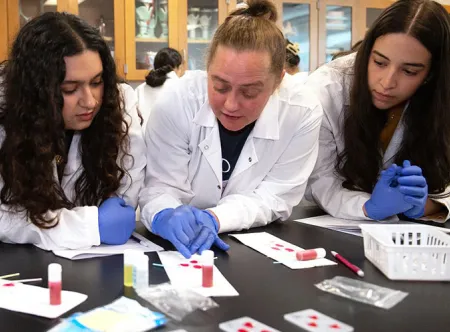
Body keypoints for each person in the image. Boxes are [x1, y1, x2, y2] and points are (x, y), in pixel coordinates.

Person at [139, 0, 323, 258]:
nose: (231, 105)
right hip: (178, 250)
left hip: (247, 252)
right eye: (220, 86)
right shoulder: (177, 101)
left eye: (249, 92)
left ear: (278, 81)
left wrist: (216, 218)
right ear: (207, 70)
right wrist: (165, 214)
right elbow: (159, 187)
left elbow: (275, 196)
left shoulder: (301, 110)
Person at [0, 12, 146, 250]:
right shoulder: (6, 111)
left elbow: (125, 196)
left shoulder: (117, 104)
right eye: (70, 89)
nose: (89, 102)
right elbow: (4, 218)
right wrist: (88, 226)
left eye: (96, 82)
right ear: (36, 91)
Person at [304, 0, 450, 223]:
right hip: (329, 223)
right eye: (380, 62)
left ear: (431, 74)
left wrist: (423, 205)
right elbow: (321, 181)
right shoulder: (326, 89)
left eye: (409, 71)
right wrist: (368, 207)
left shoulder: (441, 98)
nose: (387, 82)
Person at [136, 47, 183, 132]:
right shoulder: (181, 87)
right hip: (171, 142)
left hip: (143, 141)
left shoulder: (140, 89)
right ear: (178, 67)